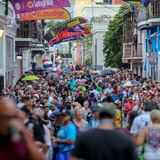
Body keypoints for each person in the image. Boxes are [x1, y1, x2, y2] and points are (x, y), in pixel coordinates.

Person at [71, 105, 136, 160]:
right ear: (114, 118)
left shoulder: (84, 137)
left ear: (99, 117)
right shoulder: (125, 139)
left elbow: (74, 158)